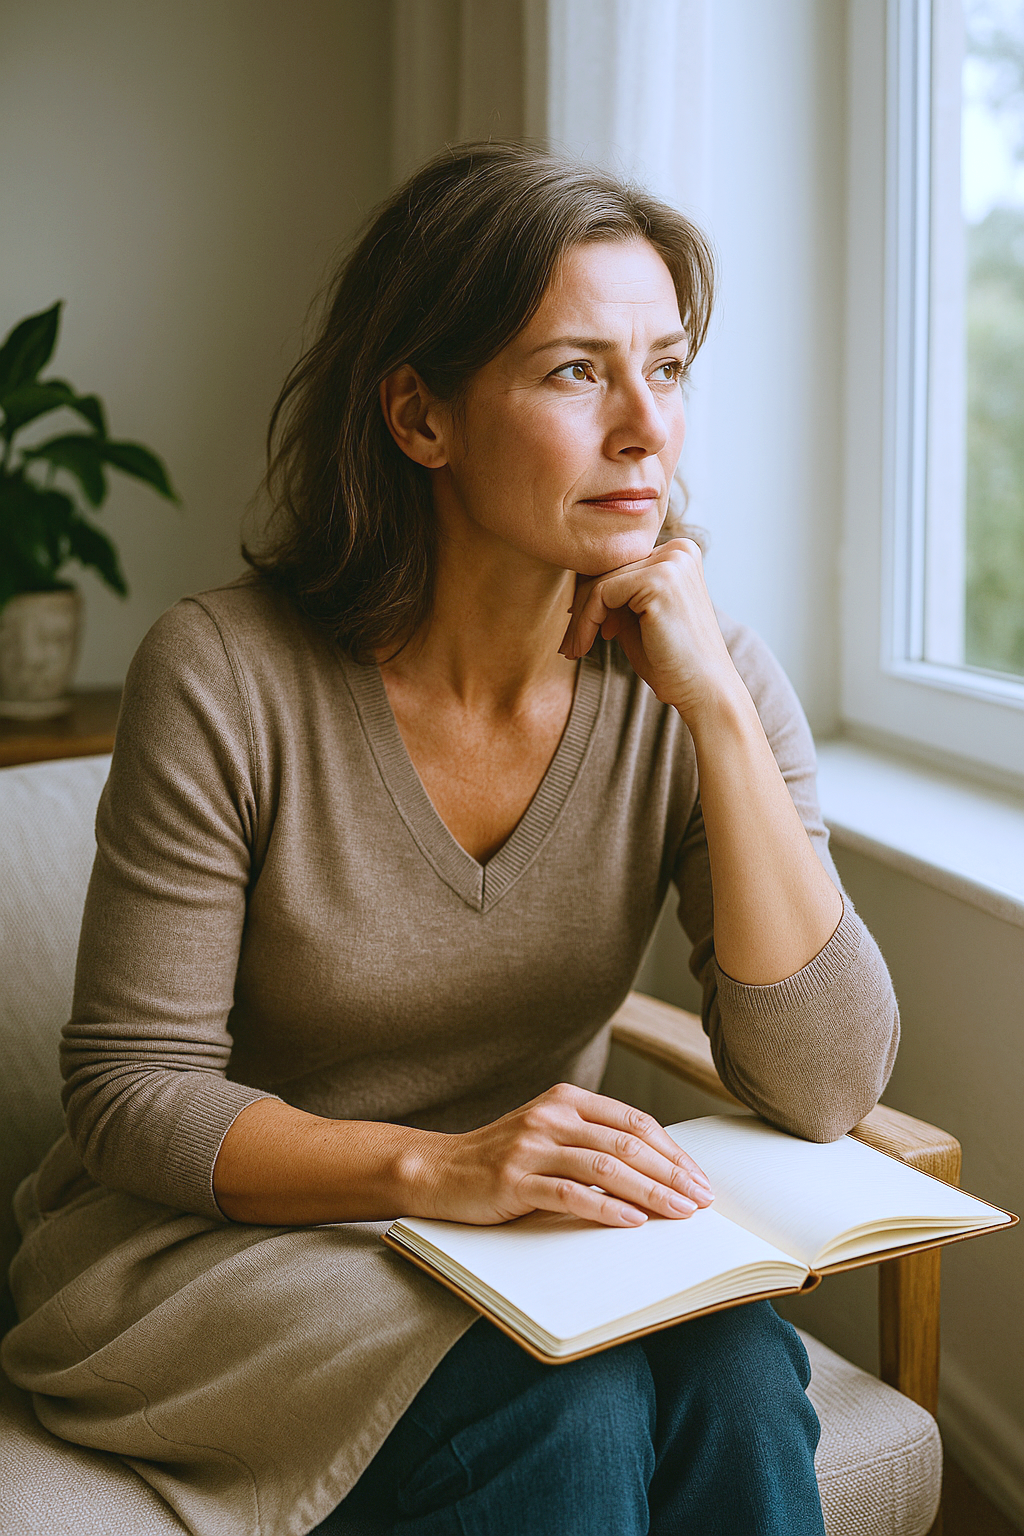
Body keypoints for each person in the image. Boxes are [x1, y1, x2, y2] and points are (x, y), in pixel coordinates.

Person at [2, 143, 899, 1536]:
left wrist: (717, 708)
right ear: (420, 417)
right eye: (574, 371)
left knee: (733, 1357)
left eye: (666, 367)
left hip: (523, 1243)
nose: (647, 431)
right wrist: (443, 1168)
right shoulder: (225, 673)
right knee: (564, 1394)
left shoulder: (698, 673)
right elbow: (133, 1093)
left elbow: (830, 1084)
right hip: (224, 1249)